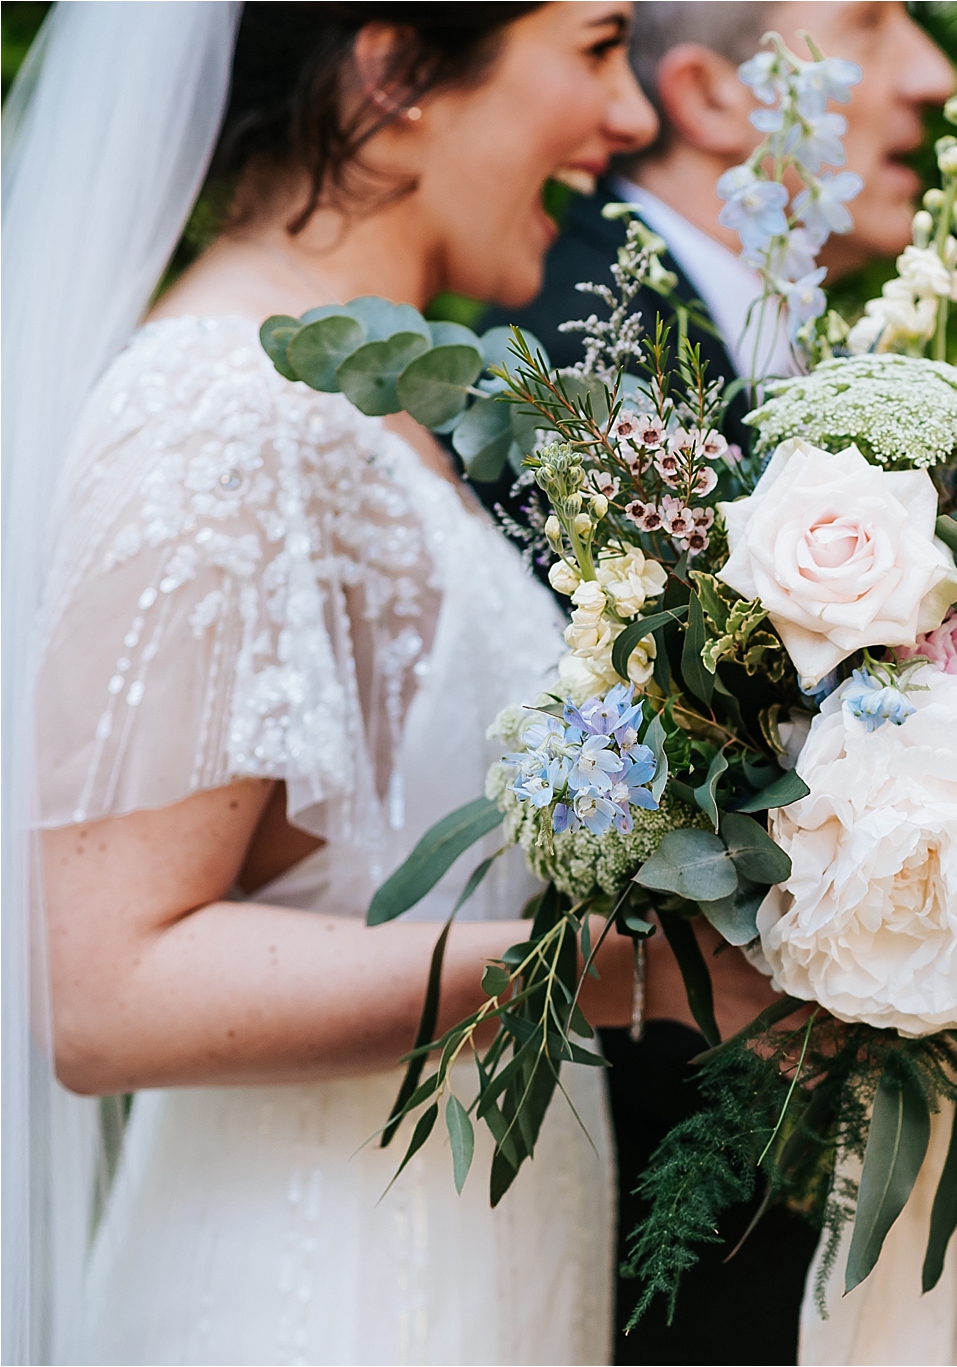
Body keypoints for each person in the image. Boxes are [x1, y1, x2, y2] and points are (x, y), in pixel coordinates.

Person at [3, 4, 687, 1362]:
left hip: (475, 1272)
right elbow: (108, 985)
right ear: (395, 77)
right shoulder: (216, 409)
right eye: (599, 45)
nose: (633, 118)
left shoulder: (367, 413)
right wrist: (619, 973)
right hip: (313, 1296)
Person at [476, 7, 957, 1365]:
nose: (928, 72)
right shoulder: (569, 345)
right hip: (627, 1206)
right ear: (705, 94)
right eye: (869, 19)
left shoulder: (799, 363)